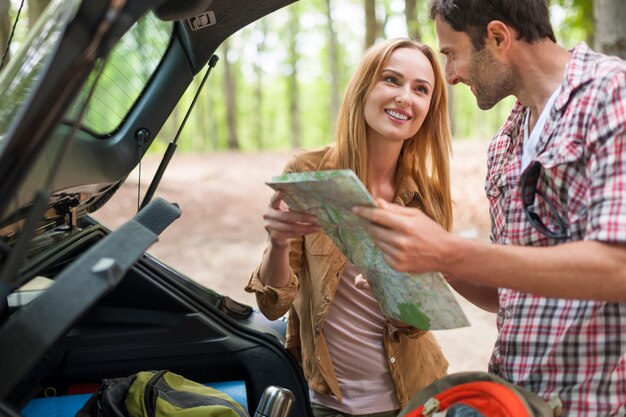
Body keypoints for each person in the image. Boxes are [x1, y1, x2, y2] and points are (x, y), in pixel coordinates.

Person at [353, 1, 626, 415]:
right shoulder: (504, 144)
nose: (450, 75)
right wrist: (434, 263)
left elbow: (617, 268)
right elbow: (509, 293)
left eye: (451, 53)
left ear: (498, 38)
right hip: (510, 397)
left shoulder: (611, 95)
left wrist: (448, 250)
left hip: (594, 403)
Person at [245, 38, 452, 417]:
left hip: (416, 396)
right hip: (330, 402)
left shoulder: (427, 196)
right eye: (392, 80)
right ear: (364, 87)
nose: (406, 97)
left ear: (429, 108)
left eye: (421, 89)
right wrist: (277, 243)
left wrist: (393, 285)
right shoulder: (309, 173)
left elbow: (417, 323)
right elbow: (272, 304)